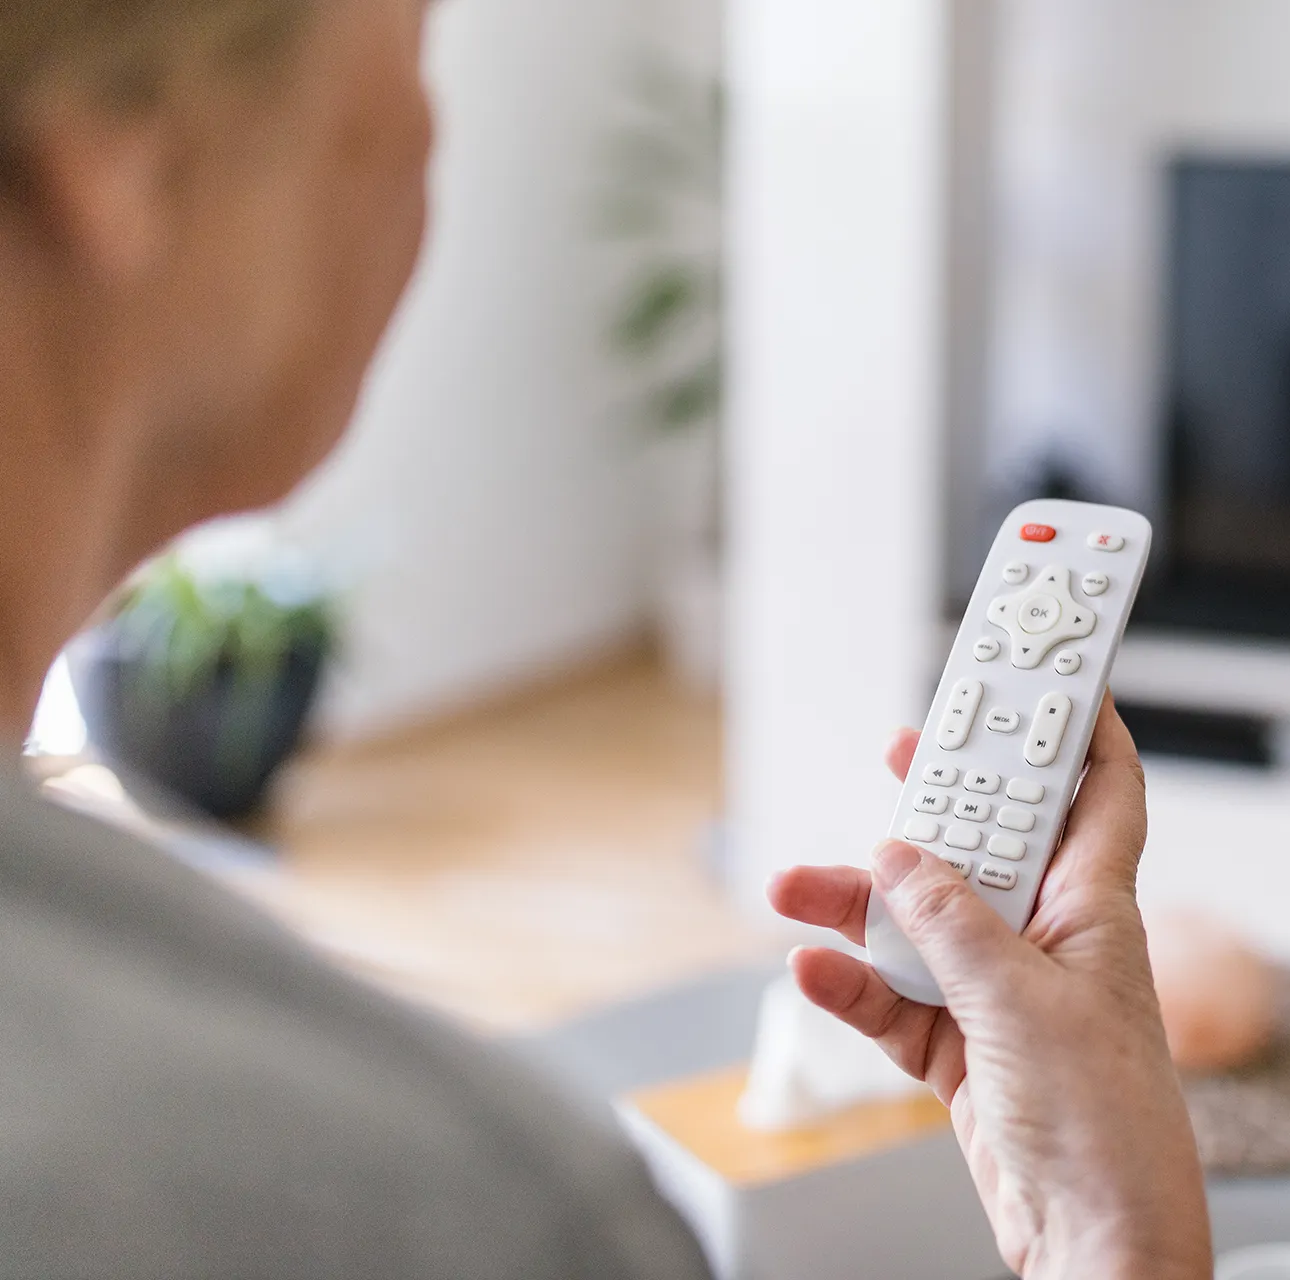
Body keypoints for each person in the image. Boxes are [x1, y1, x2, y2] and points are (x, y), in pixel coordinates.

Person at [0, 3, 1214, 1277]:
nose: (428, 134)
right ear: (124, 153)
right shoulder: (467, 1208)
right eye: (413, 39)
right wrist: (1117, 1235)